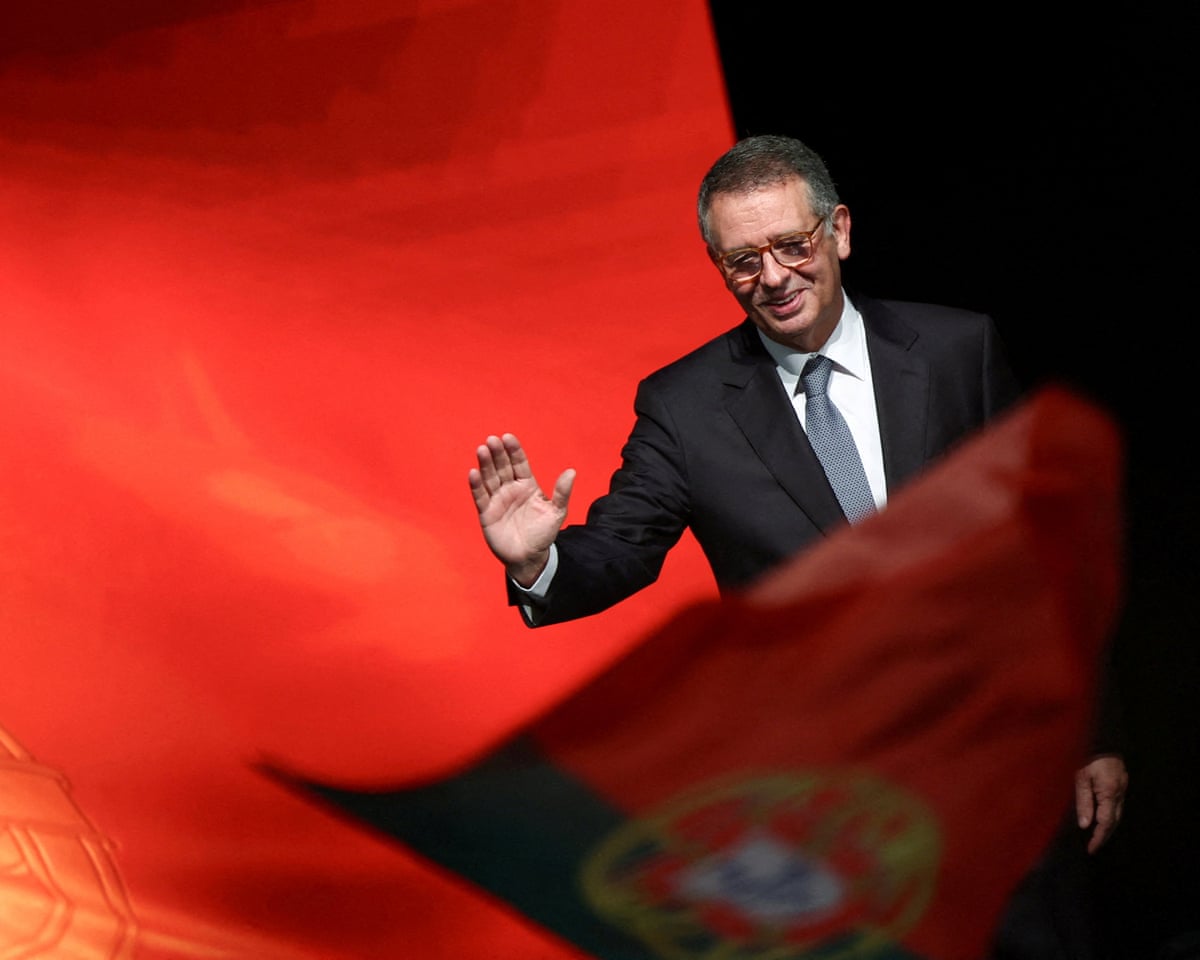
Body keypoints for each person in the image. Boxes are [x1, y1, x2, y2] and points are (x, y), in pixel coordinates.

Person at [468, 135, 1127, 950]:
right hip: (836, 812)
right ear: (717, 266)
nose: (773, 277)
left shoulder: (960, 349)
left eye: (791, 245)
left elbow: (1047, 557)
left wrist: (1090, 733)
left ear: (839, 231)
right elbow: (623, 548)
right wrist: (540, 560)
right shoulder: (686, 407)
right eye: (743, 260)